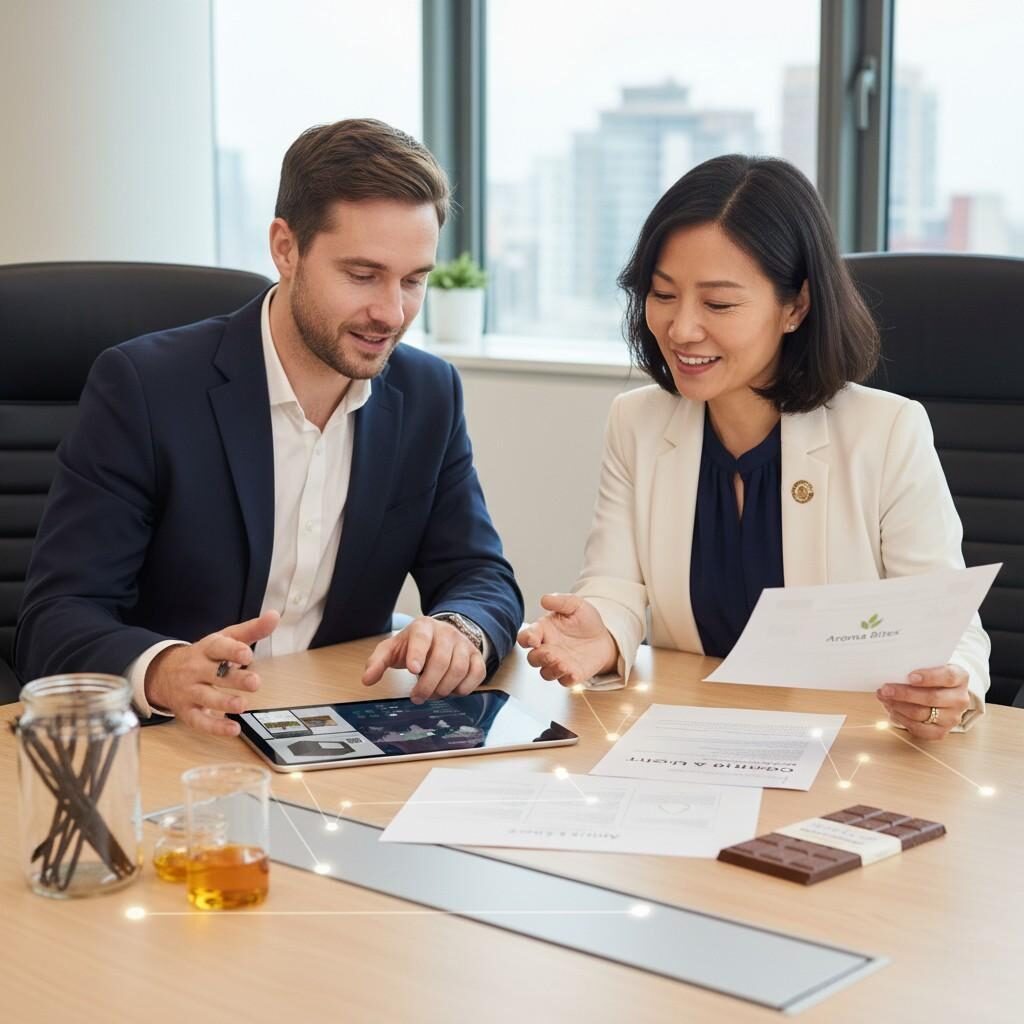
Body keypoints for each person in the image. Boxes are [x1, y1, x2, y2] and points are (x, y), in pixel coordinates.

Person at [16, 118, 523, 736]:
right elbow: (55, 617)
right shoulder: (145, 388)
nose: (391, 313)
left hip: (337, 731)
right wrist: (164, 670)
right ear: (286, 248)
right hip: (181, 741)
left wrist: (459, 629)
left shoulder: (427, 395)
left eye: (413, 280)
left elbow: (480, 576)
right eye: (362, 275)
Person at [518, 154, 990, 741]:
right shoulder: (636, 422)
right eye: (663, 294)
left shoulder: (887, 431)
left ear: (795, 306)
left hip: (841, 746)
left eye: (718, 304)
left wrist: (952, 687)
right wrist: (602, 631)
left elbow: (948, 626)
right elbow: (613, 582)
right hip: (689, 737)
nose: (682, 329)